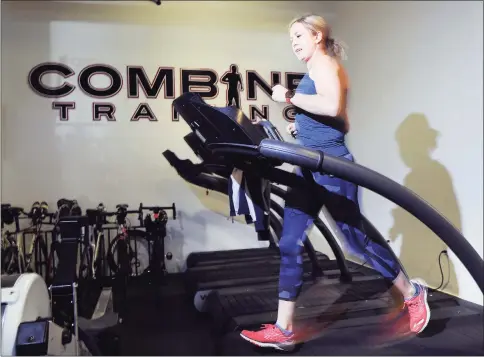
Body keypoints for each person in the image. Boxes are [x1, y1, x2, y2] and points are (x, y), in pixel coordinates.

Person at [240, 14, 431, 350]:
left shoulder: (327, 64)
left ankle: (413, 294)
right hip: (308, 164)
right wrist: (305, 129)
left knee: (356, 242)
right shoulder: (317, 71)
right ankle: (283, 329)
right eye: (291, 39)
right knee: (290, 242)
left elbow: (331, 105)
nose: (295, 43)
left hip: (333, 167)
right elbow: (344, 121)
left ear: (317, 36)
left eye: (299, 35)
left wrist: (288, 97)